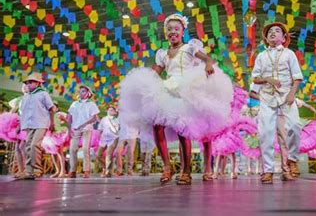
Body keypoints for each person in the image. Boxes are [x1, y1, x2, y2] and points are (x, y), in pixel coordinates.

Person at [119, 13, 234, 185]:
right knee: (157, 125)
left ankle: (186, 170)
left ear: (182, 31)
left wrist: (209, 64)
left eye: (176, 29)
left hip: (186, 89)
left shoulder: (190, 48)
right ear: (166, 33)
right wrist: (143, 84)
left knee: (183, 130)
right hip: (168, 88)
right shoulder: (163, 54)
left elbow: (206, 58)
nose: (173, 32)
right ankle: (167, 167)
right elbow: (156, 73)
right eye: (169, 29)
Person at [251, 22, 303, 184]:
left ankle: (292, 159)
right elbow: (255, 78)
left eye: (277, 31)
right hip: (267, 98)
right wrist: (267, 79)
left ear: (284, 37)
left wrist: (292, 94)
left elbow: (297, 77)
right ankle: (268, 170)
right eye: (270, 32)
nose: (273, 33)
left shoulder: (289, 54)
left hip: (287, 95)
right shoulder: (261, 56)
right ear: (266, 38)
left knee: (294, 125)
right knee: (265, 133)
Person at [18, 73, 57, 180]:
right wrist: (20, 125)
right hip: (29, 124)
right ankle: (28, 171)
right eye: (27, 83)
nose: (28, 84)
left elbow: (51, 108)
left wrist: (52, 123)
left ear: (38, 83)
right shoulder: (25, 97)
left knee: (35, 144)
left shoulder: (43, 94)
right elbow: (23, 113)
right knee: (28, 146)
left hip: (41, 123)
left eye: (31, 82)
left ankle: (37, 170)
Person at [67, 84, 99, 178]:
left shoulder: (91, 104)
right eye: (80, 91)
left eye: (84, 91)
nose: (81, 93)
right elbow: (69, 117)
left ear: (88, 93)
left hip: (86, 129)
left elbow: (94, 118)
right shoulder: (74, 104)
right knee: (72, 149)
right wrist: (69, 129)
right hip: (75, 128)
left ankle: (86, 170)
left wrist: (84, 124)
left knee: (85, 149)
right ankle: (72, 171)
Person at [96, 106, 119, 177]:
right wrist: (98, 136)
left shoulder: (118, 120)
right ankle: (106, 168)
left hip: (113, 139)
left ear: (115, 112)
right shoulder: (104, 119)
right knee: (98, 155)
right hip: (104, 139)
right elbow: (100, 128)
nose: (110, 111)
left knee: (108, 155)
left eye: (112, 110)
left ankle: (108, 172)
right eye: (109, 110)